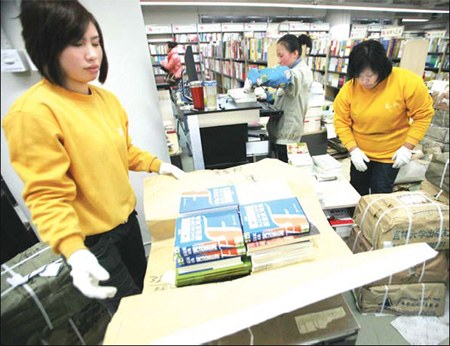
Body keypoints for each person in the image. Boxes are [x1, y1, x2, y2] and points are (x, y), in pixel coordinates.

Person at [2, 0, 185, 314]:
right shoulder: (33, 113)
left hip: (127, 223)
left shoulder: (105, 99)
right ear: (47, 46)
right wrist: (73, 251)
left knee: (144, 294)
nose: (92, 54)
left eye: (96, 42)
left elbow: (123, 150)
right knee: (129, 313)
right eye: (77, 43)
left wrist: (159, 165)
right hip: (92, 240)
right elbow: (46, 195)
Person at [334, 40, 434, 196]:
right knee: (356, 192)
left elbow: (423, 115)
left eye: (369, 75)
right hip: (360, 151)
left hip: (391, 153)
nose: (364, 81)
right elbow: (341, 121)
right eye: (359, 76)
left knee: (380, 194)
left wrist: (407, 148)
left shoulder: (407, 82)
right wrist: (352, 149)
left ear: (381, 68)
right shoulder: (349, 90)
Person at [244, 34, 313, 162]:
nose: (279, 61)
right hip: (278, 131)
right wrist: (268, 96)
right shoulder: (292, 69)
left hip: (287, 136)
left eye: (281, 56)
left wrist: (256, 78)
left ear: (295, 53)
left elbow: (283, 76)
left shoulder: (301, 72)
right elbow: (286, 96)